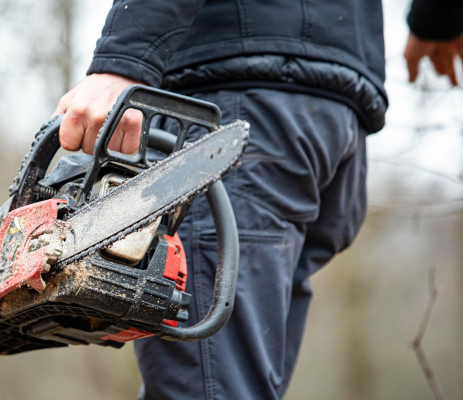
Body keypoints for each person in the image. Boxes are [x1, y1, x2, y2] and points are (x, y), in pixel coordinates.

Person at [52, 1, 463, 399]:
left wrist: (123, 60)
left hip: (230, 105)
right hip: (335, 112)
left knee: (211, 385)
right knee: (229, 379)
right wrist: (437, 17)